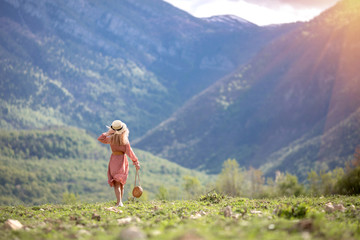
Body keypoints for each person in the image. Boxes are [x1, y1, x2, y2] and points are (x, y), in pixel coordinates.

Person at [97, 120, 140, 207]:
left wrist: (108, 133)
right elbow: (130, 153)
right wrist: (135, 162)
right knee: (121, 183)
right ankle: (120, 202)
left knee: (116, 183)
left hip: (114, 161)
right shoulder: (125, 141)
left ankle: (119, 202)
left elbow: (100, 138)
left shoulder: (111, 139)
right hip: (122, 162)